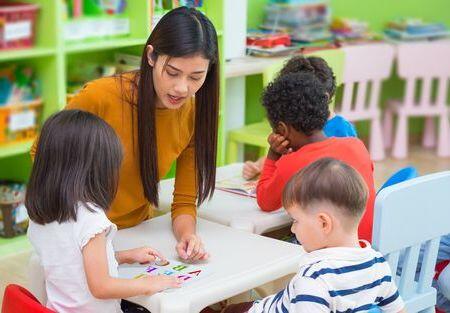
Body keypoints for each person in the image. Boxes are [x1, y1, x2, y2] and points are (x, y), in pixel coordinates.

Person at [31, 6, 220, 262]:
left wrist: (188, 235)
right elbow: (42, 152)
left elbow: (185, 200)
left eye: (196, 77)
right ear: (151, 56)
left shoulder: (194, 114)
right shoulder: (101, 96)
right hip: (82, 236)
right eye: (173, 73)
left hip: (136, 231)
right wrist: (85, 221)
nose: (182, 88)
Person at [26, 110, 181, 313]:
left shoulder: (41, 214)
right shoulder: (90, 218)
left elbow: (71, 264)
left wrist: (124, 256)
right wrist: (151, 283)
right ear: (95, 170)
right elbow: (101, 287)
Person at [223, 158, 405, 313]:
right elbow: (399, 310)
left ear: (323, 223)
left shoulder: (315, 279)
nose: (293, 229)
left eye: (295, 220)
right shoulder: (378, 263)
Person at [256, 72, 375, 242]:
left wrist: (273, 155)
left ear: (282, 129)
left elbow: (265, 202)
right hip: (365, 248)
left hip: (330, 257)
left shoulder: (293, 163)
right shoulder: (356, 146)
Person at [242, 55, 357, 181]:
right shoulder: (294, 125)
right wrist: (261, 164)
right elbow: (287, 157)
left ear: (324, 97)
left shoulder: (342, 132)